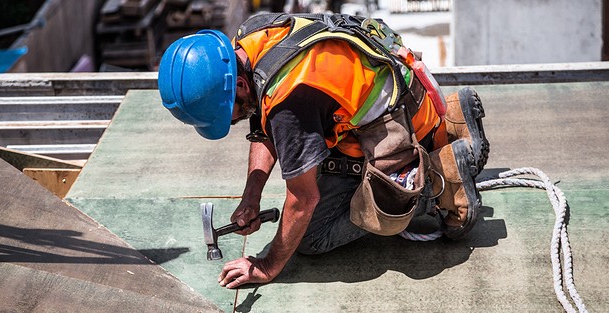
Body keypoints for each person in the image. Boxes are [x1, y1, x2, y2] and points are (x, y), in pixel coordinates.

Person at [158, 13, 489, 289]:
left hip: (400, 131)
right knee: (309, 164)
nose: (229, 123)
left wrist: (267, 265)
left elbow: (303, 199)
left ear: (240, 85)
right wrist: (251, 197)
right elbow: (264, 125)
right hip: (404, 98)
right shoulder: (253, 37)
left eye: (225, 115)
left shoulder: (290, 102)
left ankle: (439, 178)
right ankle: (453, 120)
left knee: (312, 237)